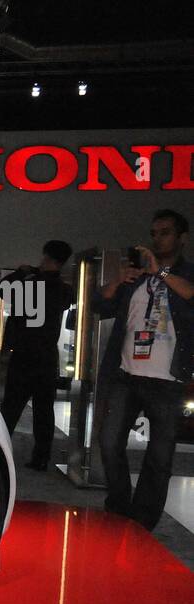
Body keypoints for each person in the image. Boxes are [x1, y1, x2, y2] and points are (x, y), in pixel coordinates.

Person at [95, 209, 194, 530]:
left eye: (164, 232)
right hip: (125, 374)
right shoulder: (136, 278)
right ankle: (120, 507)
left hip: (167, 380)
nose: (157, 238)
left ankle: (143, 520)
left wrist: (161, 273)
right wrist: (117, 280)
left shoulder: (187, 274)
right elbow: (101, 304)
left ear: (182, 238)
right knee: (109, 443)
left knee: (160, 456)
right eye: (154, 232)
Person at [0, 239, 73, 470]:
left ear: (49, 259)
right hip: (47, 356)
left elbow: (4, 289)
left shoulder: (31, 285)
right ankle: (41, 458)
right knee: (44, 410)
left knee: (11, 407)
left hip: (24, 354)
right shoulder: (65, 290)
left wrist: (21, 272)